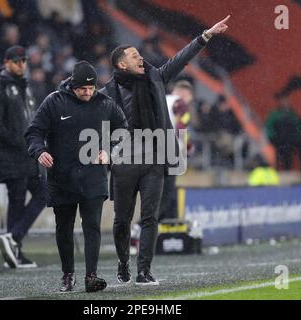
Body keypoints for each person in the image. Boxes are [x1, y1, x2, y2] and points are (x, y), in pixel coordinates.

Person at [100, 15, 230, 285]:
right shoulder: (107, 93)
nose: (140, 57)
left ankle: (144, 270)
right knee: (122, 221)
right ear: (121, 64)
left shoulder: (156, 78)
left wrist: (204, 36)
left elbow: (181, 59)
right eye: (134, 55)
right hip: (123, 163)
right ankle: (124, 262)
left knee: (150, 217)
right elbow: (98, 124)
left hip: (155, 160)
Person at [25, 61, 128, 293]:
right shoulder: (54, 101)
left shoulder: (105, 103)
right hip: (62, 178)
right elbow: (34, 131)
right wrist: (39, 151)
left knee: (92, 227)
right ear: (72, 84)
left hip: (94, 178)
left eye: (92, 89)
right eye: (83, 89)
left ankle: (91, 276)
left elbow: (123, 129)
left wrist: (110, 150)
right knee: (64, 228)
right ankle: (67, 274)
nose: (88, 93)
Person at [0, 46, 46, 269]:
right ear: (6, 62)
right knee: (18, 200)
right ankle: (14, 248)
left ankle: (13, 239)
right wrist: (17, 141)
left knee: (43, 193)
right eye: (17, 60)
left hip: (27, 155)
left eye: (24, 60)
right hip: (12, 155)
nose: (22, 64)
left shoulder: (26, 87)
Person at [159, 80, 194, 221]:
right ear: (187, 94)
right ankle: (144, 226)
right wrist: (189, 146)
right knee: (167, 192)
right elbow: (181, 128)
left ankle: (167, 224)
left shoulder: (161, 99)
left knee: (164, 191)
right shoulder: (181, 104)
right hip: (169, 151)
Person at [265, 95, 301, 180]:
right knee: (279, 160)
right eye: (284, 101)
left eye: (287, 101)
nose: (286, 103)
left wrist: (297, 138)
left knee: (289, 160)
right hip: (280, 142)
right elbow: (270, 127)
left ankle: (289, 177)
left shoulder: (292, 114)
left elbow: (297, 127)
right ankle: (278, 177)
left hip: (289, 141)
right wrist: (273, 138)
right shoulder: (275, 115)